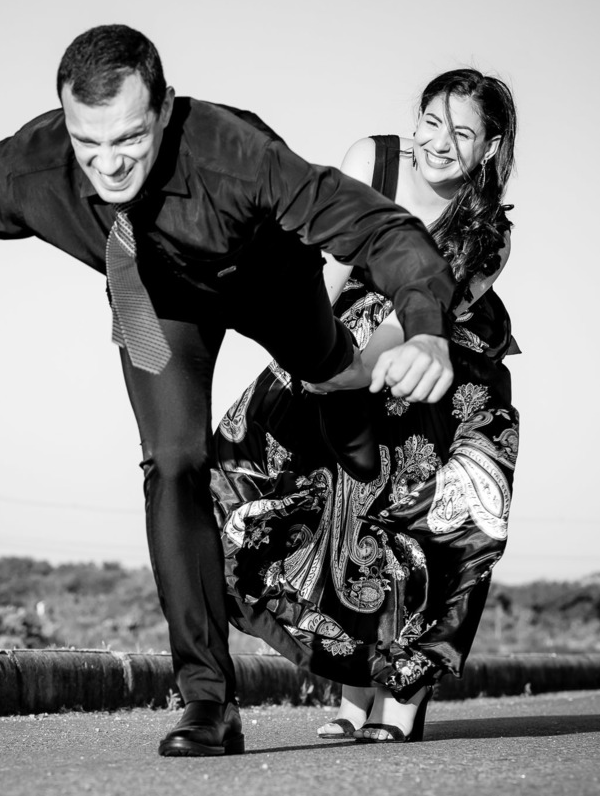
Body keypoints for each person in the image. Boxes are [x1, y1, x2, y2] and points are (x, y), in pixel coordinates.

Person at [0, 25, 462, 757]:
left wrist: (424, 326)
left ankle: (351, 414)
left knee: (338, 391)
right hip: (156, 302)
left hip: (269, 280)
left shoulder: (237, 157)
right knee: (171, 463)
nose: (109, 163)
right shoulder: (33, 166)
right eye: (89, 143)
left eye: (130, 140)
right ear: (66, 124)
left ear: (165, 109)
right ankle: (209, 701)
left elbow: (379, 226)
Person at [210, 68, 519, 743]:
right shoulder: (370, 161)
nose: (440, 143)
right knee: (268, 475)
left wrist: (356, 372)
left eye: (463, 133)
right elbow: (326, 277)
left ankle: (403, 700)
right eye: (432, 122)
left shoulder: (486, 232)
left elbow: (417, 320)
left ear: (490, 149)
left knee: (405, 522)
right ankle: (352, 694)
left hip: (433, 364)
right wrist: (318, 360)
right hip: (343, 331)